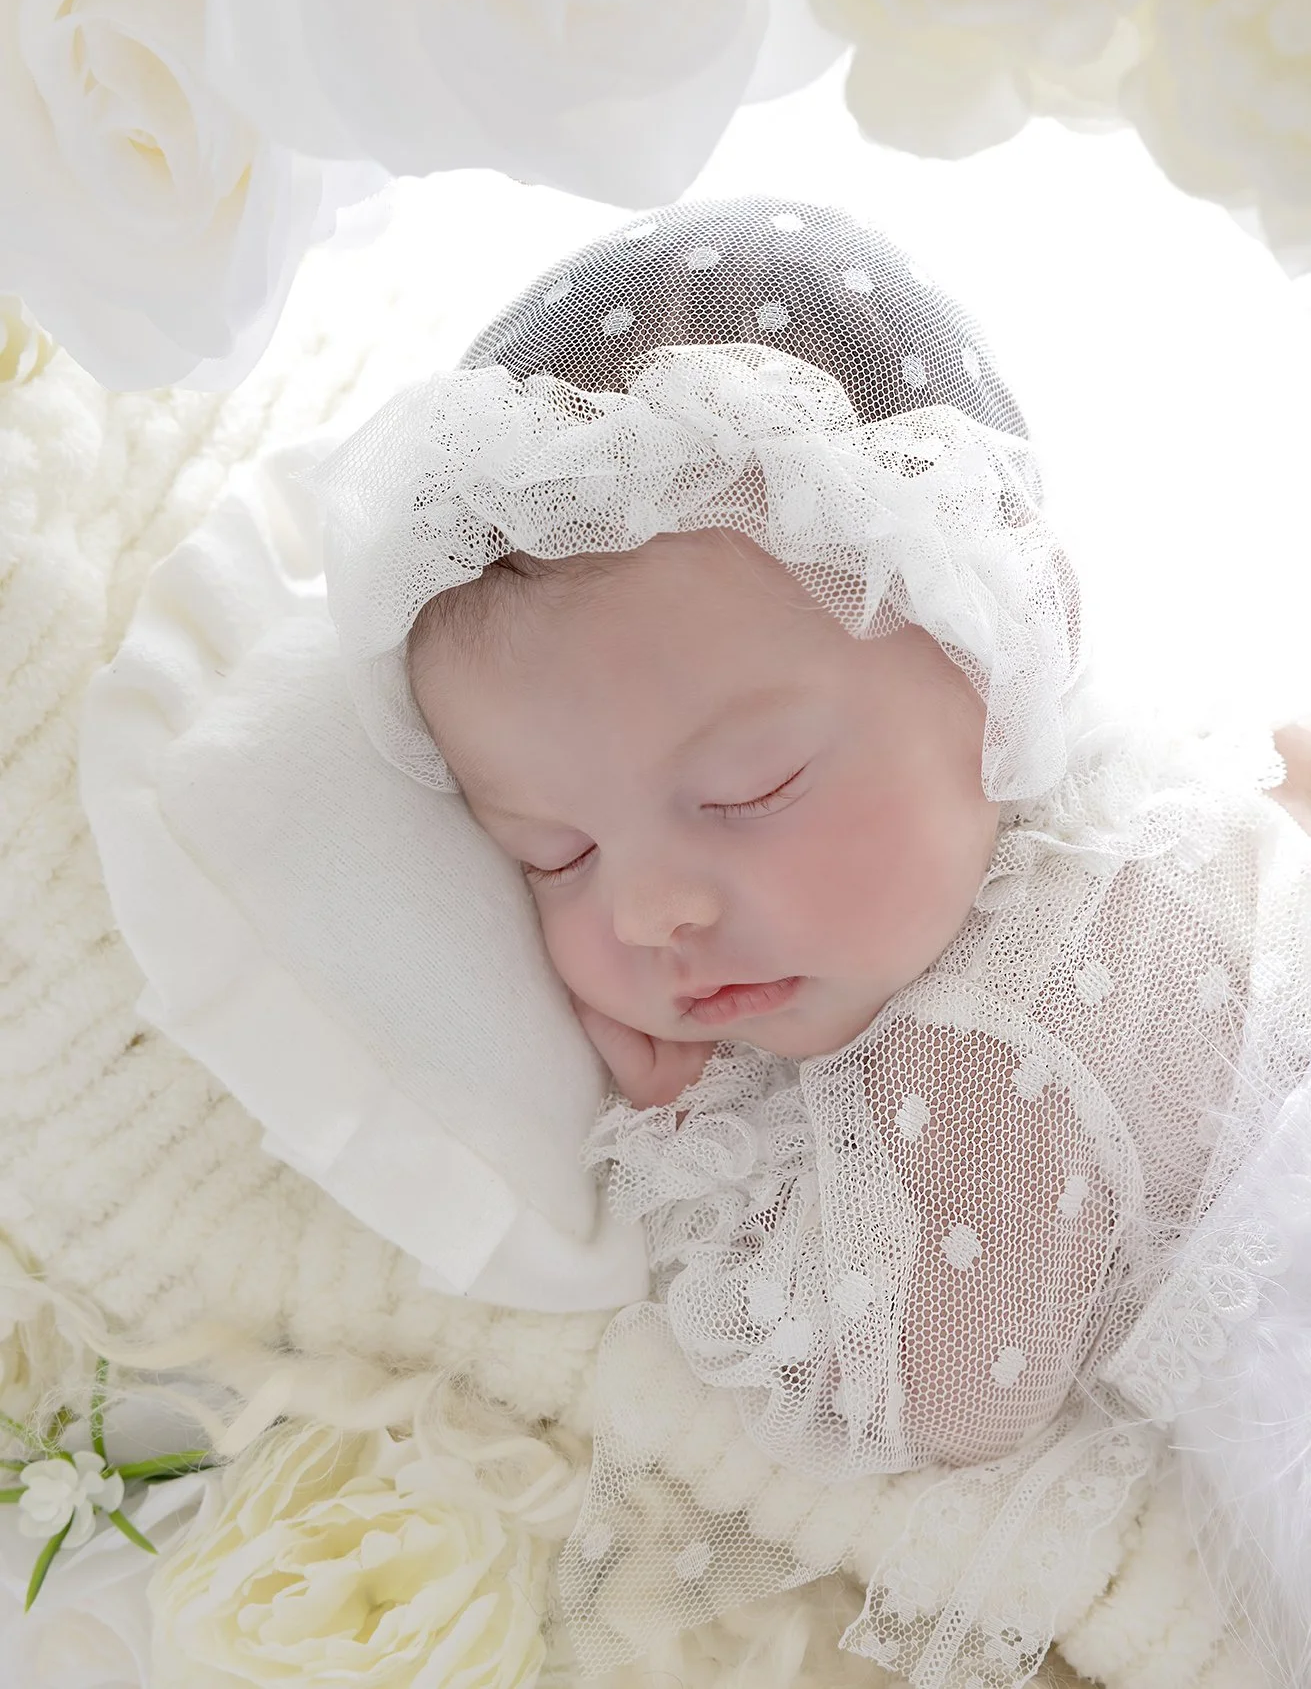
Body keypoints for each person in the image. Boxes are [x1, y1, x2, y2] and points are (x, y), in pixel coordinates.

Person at [312, 196, 1311, 1688]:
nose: (645, 910)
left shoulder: (1004, 1028)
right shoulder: (1119, 821)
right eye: (553, 855)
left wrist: (686, 1117)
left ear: (997, 654)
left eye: (745, 791)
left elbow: (941, 1387)